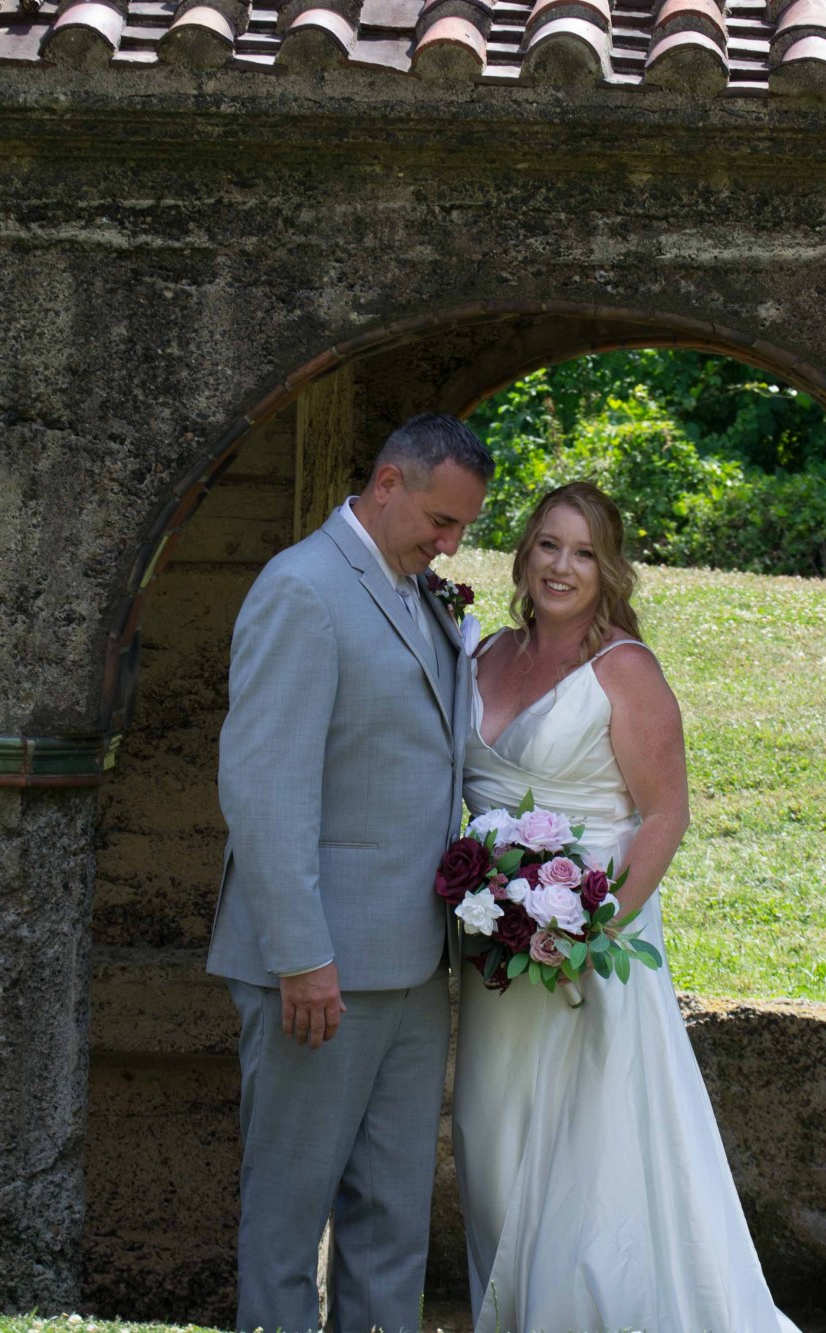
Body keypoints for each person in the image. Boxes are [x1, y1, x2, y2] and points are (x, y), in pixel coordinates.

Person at [453, 480, 801, 1333]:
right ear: (524, 553)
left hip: (590, 955)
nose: (561, 567)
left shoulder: (625, 670)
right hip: (496, 953)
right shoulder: (484, 653)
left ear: (608, 569)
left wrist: (587, 929)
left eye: (583, 552)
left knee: (592, 1160)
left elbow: (664, 815)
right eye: (548, 545)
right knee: (494, 1146)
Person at [207, 412, 492, 1333]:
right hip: (319, 968)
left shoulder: (419, 591)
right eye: (441, 521)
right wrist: (301, 956)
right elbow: (265, 787)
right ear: (387, 484)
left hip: (414, 964)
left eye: (462, 528)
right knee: (288, 1218)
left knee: (394, 1221)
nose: (449, 546)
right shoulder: (302, 588)